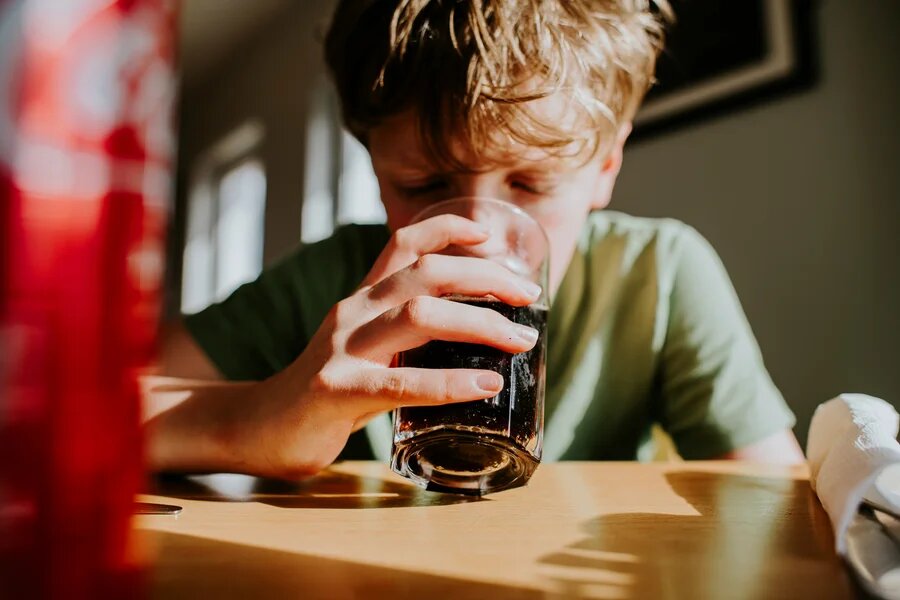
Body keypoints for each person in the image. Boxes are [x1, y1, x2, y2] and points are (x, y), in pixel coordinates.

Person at [145, 0, 804, 478]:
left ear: (606, 167)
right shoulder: (329, 282)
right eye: (425, 184)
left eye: (533, 184)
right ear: (375, 170)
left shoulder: (659, 274)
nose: (481, 238)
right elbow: (94, 408)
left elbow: (774, 498)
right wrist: (258, 416)